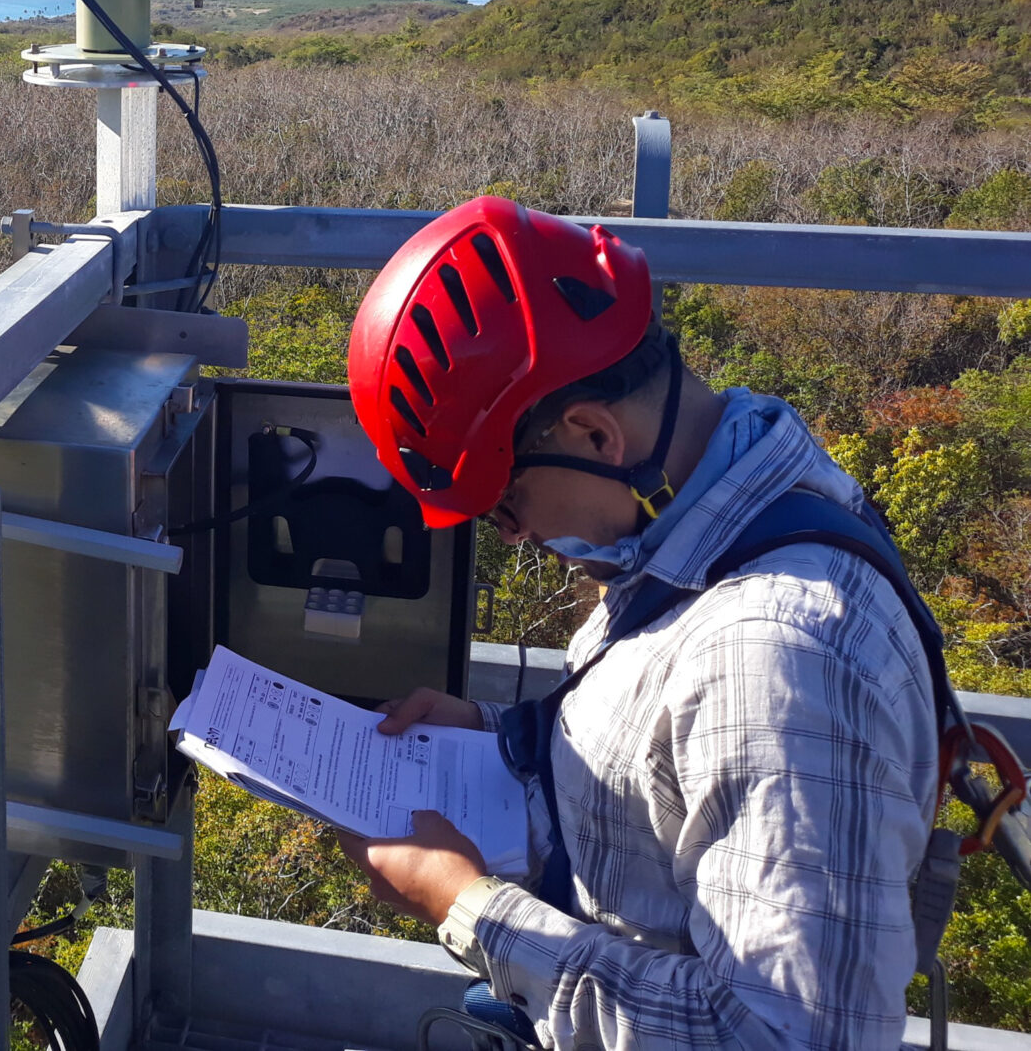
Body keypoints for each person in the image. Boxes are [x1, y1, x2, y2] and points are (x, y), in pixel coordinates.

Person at [339, 195, 938, 1050]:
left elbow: (789, 1037)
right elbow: (669, 761)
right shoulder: (711, 515)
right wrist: (504, 735)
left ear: (591, 433)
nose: (514, 535)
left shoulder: (781, 661)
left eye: (503, 501)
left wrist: (468, 906)